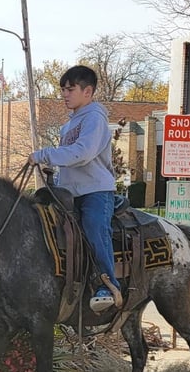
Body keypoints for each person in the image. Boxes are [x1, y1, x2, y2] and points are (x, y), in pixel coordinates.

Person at [28, 65, 122, 313]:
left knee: (93, 226)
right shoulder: (68, 124)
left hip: (95, 191)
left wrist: (45, 155)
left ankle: (108, 284)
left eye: (70, 89)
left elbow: (83, 153)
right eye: (63, 89)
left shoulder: (95, 118)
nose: (65, 94)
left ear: (87, 91)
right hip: (69, 192)